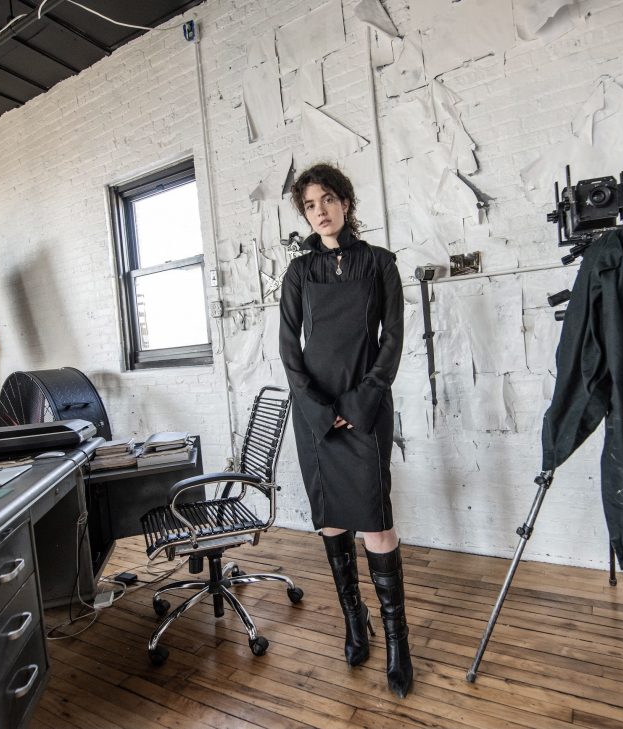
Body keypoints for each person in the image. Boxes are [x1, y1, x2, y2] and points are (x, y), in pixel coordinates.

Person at [278, 163, 411, 698]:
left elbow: (393, 342)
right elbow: (290, 351)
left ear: (346, 202)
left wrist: (358, 402)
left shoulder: (381, 265)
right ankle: (355, 622)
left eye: (328, 199)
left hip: (366, 407)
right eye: (310, 205)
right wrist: (318, 408)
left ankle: (398, 643)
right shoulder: (298, 273)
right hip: (314, 416)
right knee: (331, 521)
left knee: (376, 523)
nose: (321, 211)